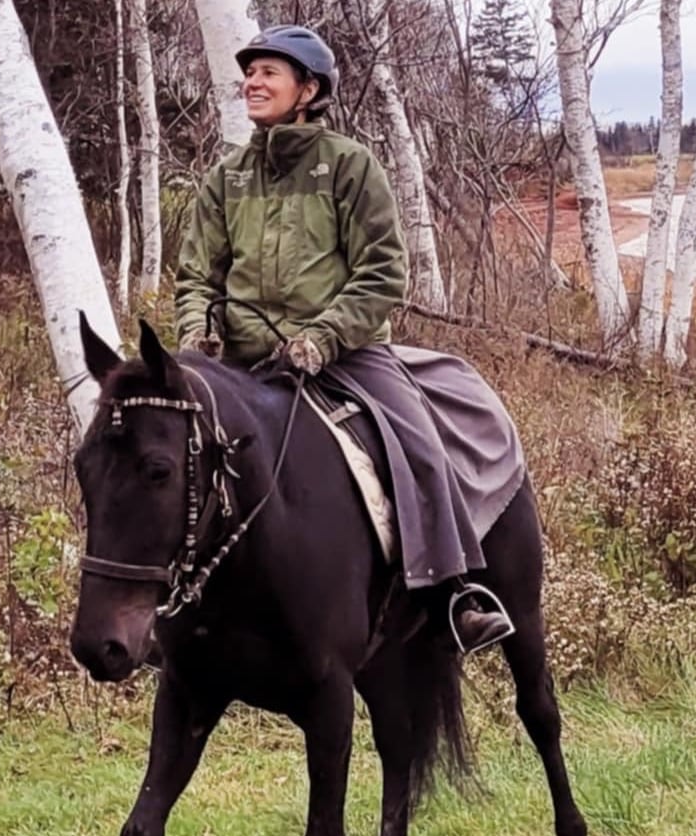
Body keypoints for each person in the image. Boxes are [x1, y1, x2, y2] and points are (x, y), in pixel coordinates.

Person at [175, 24, 515, 653]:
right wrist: (197, 328)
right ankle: (164, 606)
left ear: (308, 89)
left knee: (418, 444)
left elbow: (382, 272)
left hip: (346, 355)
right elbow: (197, 273)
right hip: (243, 361)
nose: (252, 83)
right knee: (161, 447)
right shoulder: (228, 177)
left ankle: (453, 591)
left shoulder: (351, 166)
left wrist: (322, 337)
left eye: (268, 73)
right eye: (249, 73)